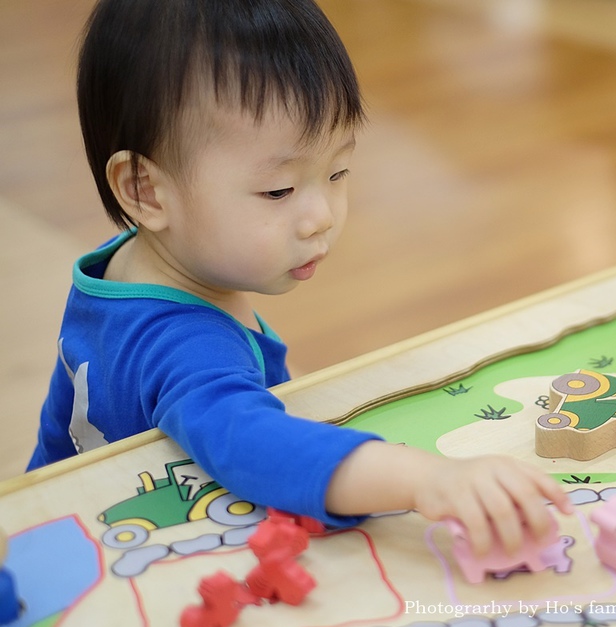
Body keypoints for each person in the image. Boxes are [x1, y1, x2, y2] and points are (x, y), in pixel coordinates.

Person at [31, 0, 571, 555]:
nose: (322, 217)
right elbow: (253, 445)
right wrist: (428, 479)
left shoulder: (115, 271)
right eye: (279, 191)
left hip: (63, 523)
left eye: (337, 171)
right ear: (145, 190)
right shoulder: (185, 344)